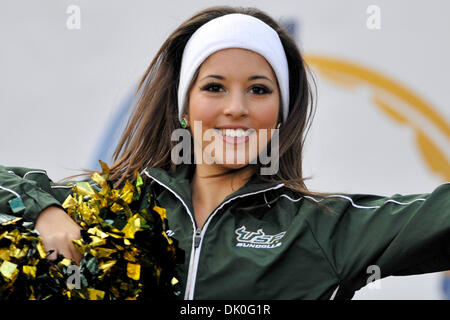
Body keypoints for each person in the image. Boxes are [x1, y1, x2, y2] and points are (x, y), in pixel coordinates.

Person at [0, 6, 449, 300]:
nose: (236, 108)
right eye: (214, 87)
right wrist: (43, 211)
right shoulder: (105, 206)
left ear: (281, 115)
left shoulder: (322, 231)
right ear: (183, 107)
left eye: (258, 89)